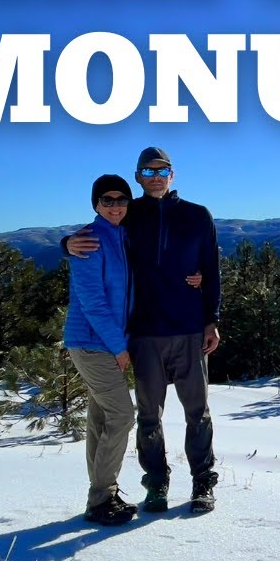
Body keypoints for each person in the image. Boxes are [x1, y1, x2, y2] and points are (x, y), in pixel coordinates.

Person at [66, 147, 223, 514]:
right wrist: (66, 245)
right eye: (147, 171)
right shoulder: (128, 214)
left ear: (172, 174)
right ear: (138, 176)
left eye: (161, 170)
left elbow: (211, 269)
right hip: (145, 333)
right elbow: (93, 237)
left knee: (197, 412)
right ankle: (156, 483)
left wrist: (212, 319)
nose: (155, 176)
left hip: (188, 329)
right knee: (148, 415)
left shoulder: (197, 216)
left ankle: (203, 482)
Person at [64, 175, 137, 526]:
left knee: (101, 417)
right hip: (93, 342)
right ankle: (101, 496)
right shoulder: (89, 240)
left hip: (103, 341)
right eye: (107, 200)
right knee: (122, 415)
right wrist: (120, 348)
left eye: (121, 199)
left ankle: (100, 496)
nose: (114, 205)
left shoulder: (122, 235)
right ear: (95, 203)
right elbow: (92, 302)